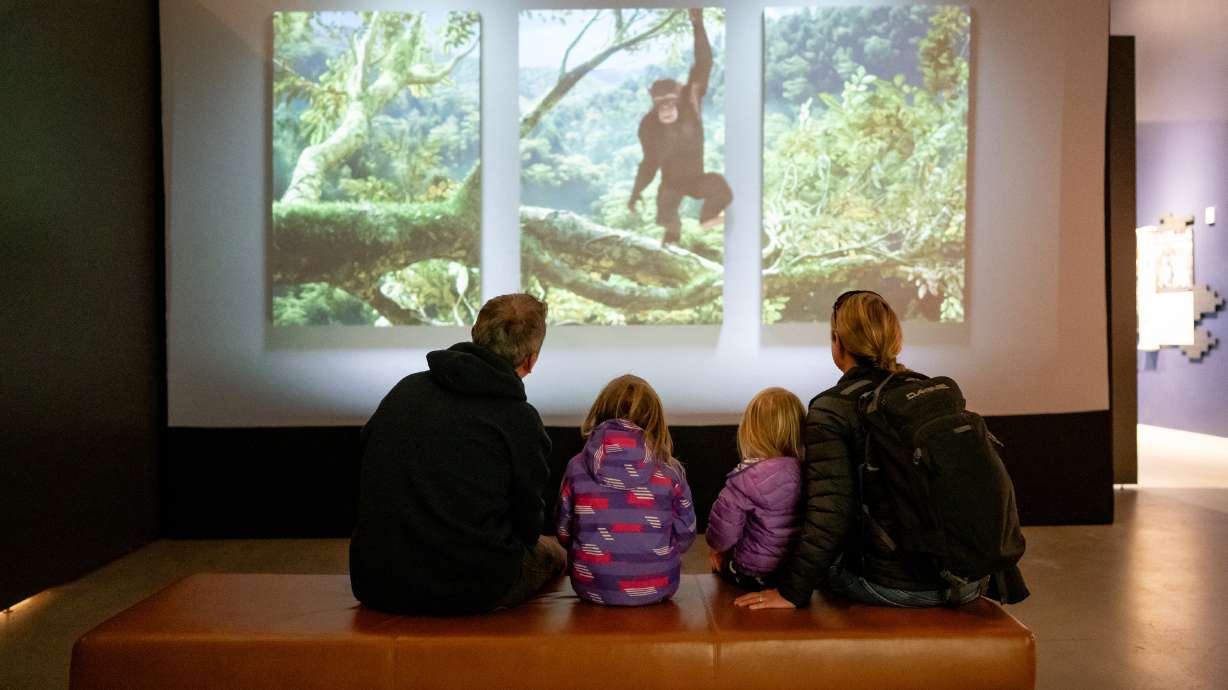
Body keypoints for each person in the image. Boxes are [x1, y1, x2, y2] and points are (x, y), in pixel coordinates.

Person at [735, 290, 987, 610]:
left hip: (893, 585)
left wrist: (789, 592)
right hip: (967, 579)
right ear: (895, 338)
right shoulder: (930, 390)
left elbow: (830, 516)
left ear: (837, 341)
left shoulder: (831, 409)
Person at [349, 293, 564, 615]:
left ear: (475, 333)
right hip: (470, 587)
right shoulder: (519, 420)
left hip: (378, 581)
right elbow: (528, 527)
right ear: (531, 360)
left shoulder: (405, 390)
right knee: (554, 552)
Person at [555, 375, 697, 606]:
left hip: (589, 586)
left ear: (600, 412)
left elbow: (563, 531)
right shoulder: (670, 472)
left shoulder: (576, 467)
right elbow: (686, 536)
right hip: (658, 586)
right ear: (655, 421)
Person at [627, 8, 732, 247]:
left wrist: (698, 24)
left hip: (697, 179)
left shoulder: (690, 100)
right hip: (670, 184)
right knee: (667, 217)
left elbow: (704, 62)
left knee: (721, 187)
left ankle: (708, 219)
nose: (665, 109)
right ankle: (670, 246)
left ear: (678, 98)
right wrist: (635, 192)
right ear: (652, 102)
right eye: (660, 104)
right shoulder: (648, 126)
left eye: (669, 102)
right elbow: (649, 163)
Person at [705, 387, 804, 591]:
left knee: (720, 562)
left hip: (753, 572)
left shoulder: (745, 478)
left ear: (751, 430)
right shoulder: (810, 472)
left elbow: (723, 534)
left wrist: (717, 550)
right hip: (795, 573)